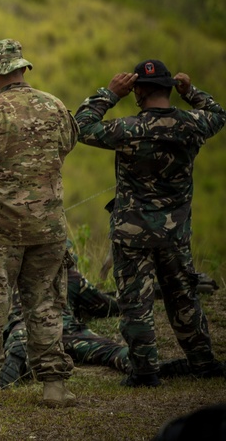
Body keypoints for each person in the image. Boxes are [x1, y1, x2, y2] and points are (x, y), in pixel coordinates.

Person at [74, 60, 225, 386]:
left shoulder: (128, 129)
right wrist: (192, 92)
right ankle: (204, 363)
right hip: (175, 230)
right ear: (170, 88)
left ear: (138, 91)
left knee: (135, 303)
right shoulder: (191, 125)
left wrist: (109, 94)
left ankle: (145, 371)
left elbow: (81, 126)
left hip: (133, 232)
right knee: (183, 296)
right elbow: (219, 115)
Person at [0, 39, 78, 409]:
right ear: (22, 68)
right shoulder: (55, 106)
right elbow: (68, 144)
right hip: (49, 226)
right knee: (46, 303)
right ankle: (54, 386)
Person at [0, 245, 127, 387]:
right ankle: (135, 361)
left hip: (25, 325)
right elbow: (105, 306)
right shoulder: (71, 276)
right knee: (107, 350)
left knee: (21, 339)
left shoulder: (18, 275)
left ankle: (20, 355)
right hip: (63, 326)